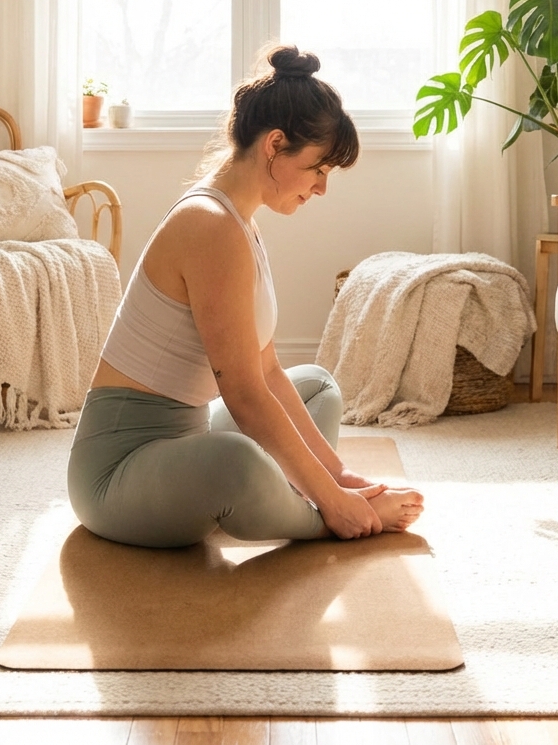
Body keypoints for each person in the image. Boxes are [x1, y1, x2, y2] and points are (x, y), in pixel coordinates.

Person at [68, 45, 424, 547]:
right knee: (236, 461)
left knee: (316, 386)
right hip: (117, 473)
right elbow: (242, 393)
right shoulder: (208, 225)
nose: (322, 188)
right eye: (318, 168)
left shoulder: (241, 223)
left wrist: (341, 476)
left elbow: (269, 373)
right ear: (275, 145)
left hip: (185, 441)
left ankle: (293, 498)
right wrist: (333, 500)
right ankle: (325, 519)